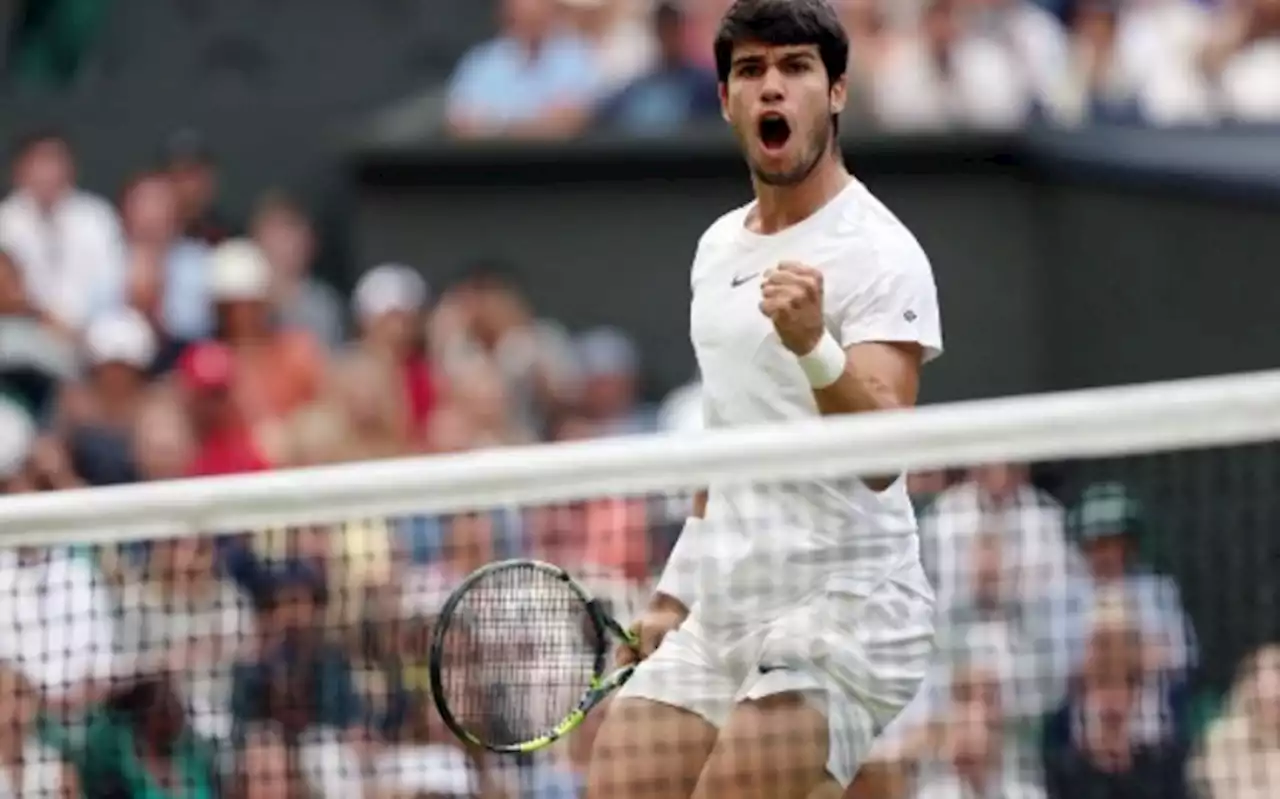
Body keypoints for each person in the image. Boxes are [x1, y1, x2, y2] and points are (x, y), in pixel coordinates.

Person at [584, 1, 942, 797]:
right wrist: (675, 591)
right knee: (615, 781)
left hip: (848, 609)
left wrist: (814, 345)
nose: (771, 87)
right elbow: (727, 441)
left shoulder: (883, 253)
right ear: (726, 100)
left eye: (795, 68)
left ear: (836, 92)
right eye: (751, 71)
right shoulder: (717, 250)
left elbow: (883, 457)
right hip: (730, 603)